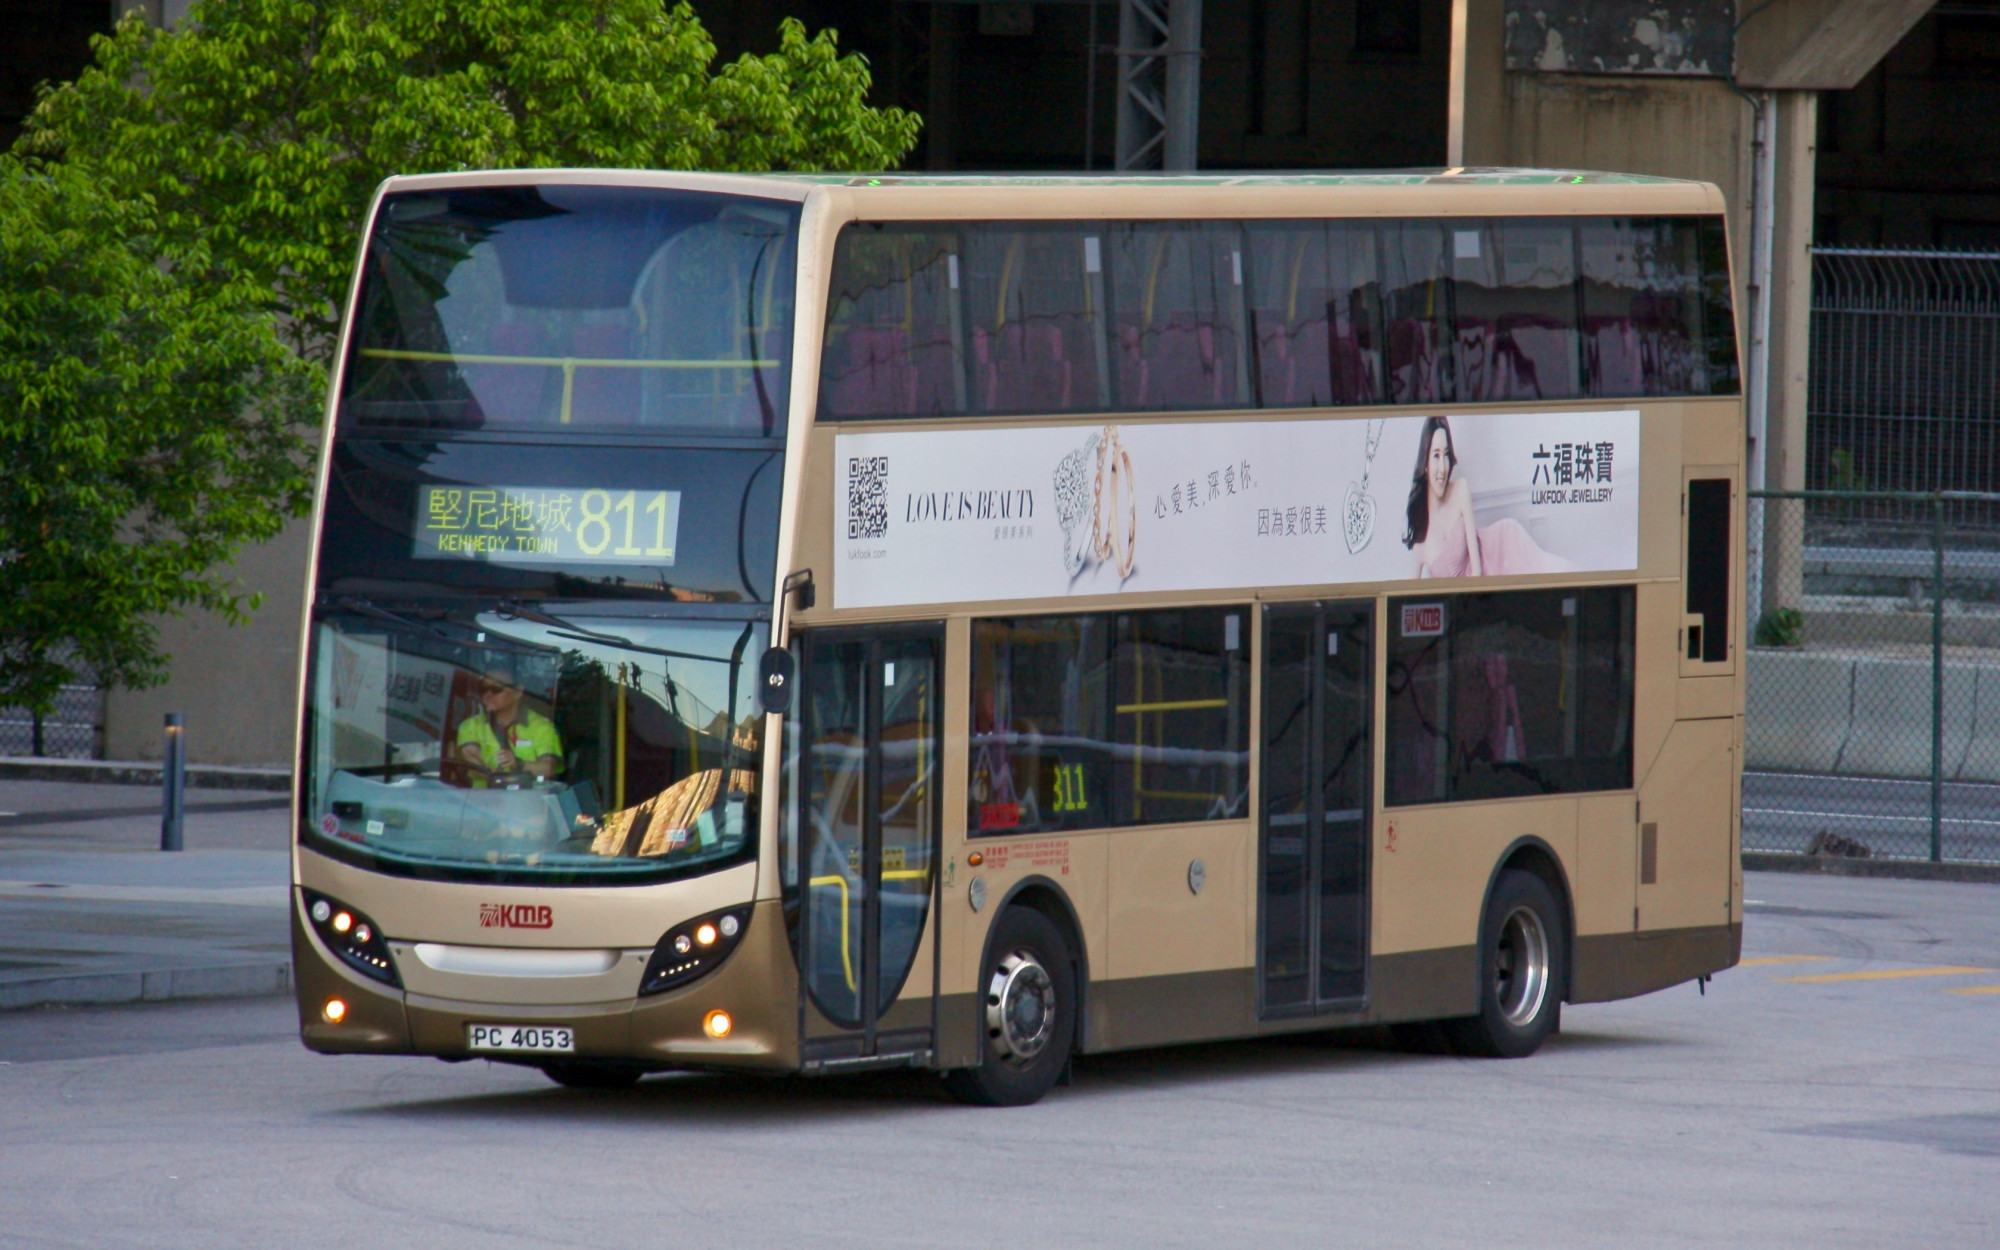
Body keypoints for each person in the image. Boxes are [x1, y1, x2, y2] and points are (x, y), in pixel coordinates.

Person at [1401, 415, 1571, 578]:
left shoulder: (1460, 489)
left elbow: (1477, 571)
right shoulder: (1419, 545)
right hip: (1467, 594)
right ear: (1425, 463)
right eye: (1436, 455)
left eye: (1446, 454)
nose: (1443, 467)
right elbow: (1409, 594)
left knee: (1556, 571)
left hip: (1503, 549)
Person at [457, 666, 563, 780]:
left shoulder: (542, 726)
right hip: (484, 791)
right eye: (483, 689)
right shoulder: (470, 725)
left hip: (526, 792)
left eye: (496, 688)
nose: (488, 694)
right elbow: (471, 757)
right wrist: (492, 777)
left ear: (518, 692)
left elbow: (549, 769)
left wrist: (519, 764)